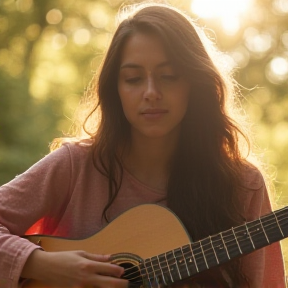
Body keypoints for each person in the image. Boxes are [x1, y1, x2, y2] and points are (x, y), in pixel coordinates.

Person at [0, 3, 286, 288]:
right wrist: (46, 266)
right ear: (116, 89)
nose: (151, 93)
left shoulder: (243, 185)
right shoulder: (76, 165)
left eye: (169, 76)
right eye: (134, 78)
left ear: (194, 84)